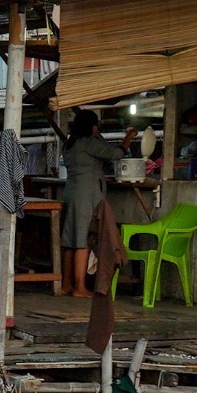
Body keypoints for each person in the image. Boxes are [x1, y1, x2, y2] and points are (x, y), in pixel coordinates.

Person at [59, 109, 134, 296]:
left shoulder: (70, 143)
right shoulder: (90, 143)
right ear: (93, 126)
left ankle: (66, 284)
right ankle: (80, 287)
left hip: (71, 192)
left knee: (69, 240)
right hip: (87, 195)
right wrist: (128, 138)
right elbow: (116, 154)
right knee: (82, 240)